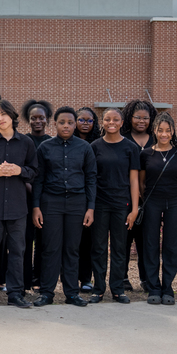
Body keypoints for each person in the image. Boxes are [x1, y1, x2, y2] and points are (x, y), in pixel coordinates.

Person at [0, 99, 38, 309]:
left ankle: (15, 294)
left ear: (12, 116)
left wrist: (20, 170)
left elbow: (34, 171)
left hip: (18, 207)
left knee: (18, 251)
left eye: (3, 114)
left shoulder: (27, 143)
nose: (0, 119)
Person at [31, 106, 96, 307]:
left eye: (70, 122)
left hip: (77, 203)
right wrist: (36, 207)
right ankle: (47, 293)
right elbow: (38, 180)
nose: (66, 126)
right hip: (51, 202)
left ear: (75, 124)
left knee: (72, 249)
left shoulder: (85, 148)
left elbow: (91, 178)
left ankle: (71, 293)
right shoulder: (45, 148)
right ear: (55, 124)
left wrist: (90, 208)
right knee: (50, 248)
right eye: (62, 122)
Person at [89, 108, 140, 304]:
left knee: (119, 248)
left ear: (121, 122)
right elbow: (91, 179)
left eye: (115, 119)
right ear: (102, 122)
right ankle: (98, 289)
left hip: (122, 205)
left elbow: (134, 180)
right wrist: (90, 207)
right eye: (107, 119)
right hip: (100, 204)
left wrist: (134, 209)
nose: (111, 122)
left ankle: (118, 289)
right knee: (99, 248)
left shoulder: (130, 148)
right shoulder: (94, 147)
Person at [138, 113, 177, 305]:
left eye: (168, 130)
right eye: (160, 130)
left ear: (173, 131)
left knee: (171, 246)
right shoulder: (146, 154)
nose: (164, 134)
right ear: (155, 131)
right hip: (152, 202)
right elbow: (141, 183)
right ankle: (154, 288)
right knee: (150, 245)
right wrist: (146, 201)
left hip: (174, 202)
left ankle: (167, 288)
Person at [121, 100, 156, 292]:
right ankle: (123, 276)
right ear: (129, 118)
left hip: (151, 198)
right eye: (137, 117)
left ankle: (146, 278)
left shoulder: (157, 138)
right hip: (125, 197)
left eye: (145, 118)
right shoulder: (123, 138)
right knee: (124, 239)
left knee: (146, 240)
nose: (141, 121)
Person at [21, 99, 52, 292]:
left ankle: (39, 279)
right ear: (28, 120)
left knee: (44, 242)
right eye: (34, 118)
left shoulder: (51, 143)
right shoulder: (23, 141)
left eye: (41, 117)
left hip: (46, 199)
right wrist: (30, 188)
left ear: (47, 119)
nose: (37, 121)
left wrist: (40, 193)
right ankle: (24, 281)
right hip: (24, 197)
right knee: (24, 241)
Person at [73, 107, 101, 292]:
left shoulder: (98, 144)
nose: (85, 123)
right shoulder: (69, 142)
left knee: (88, 241)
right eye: (81, 120)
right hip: (73, 197)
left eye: (89, 120)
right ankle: (70, 278)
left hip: (92, 198)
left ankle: (86, 279)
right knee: (72, 241)